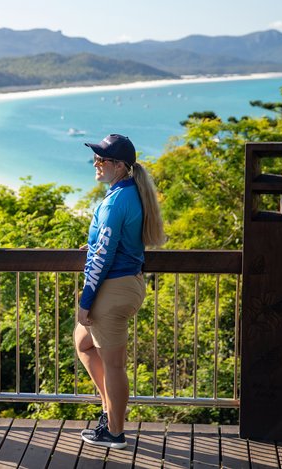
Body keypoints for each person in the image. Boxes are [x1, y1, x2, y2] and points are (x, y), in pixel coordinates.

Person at [75, 134, 166, 450]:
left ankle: (114, 432)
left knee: (113, 365)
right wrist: (95, 244)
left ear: (119, 166)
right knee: (83, 342)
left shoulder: (115, 201)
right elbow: (112, 242)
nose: (96, 163)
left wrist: (86, 301)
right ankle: (109, 409)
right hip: (128, 283)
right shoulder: (130, 193)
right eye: (96, 158)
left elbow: (103, 256)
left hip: (113, 289)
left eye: (102, 159)